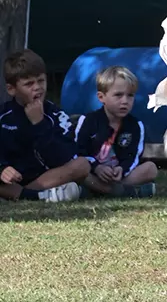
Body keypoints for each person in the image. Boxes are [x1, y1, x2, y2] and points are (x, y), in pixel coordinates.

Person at [0, 50, 90, 202]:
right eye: (29, 84)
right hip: (9, 180)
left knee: (82, 165)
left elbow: (63, 159)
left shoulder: (56, 115)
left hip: (44, 179)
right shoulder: (3, 115)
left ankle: (22, 195)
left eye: (41, 81)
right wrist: (1, 169)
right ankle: (36, 197)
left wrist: (39, 123)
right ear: (11, 89)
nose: (37, 87)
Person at [74, 66, 158, 198]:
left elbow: (133, 156)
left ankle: (104, 190)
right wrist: (96, 167)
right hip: (93, 172)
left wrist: (122, 170)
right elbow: (78, 151)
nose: (125, 101)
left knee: (150, 168)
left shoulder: (135, 125)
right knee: (77, 169)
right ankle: (121, 191)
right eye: (118, 95)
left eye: (130, 96)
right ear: (101, 97)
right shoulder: (88, 121)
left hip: (118, 176)